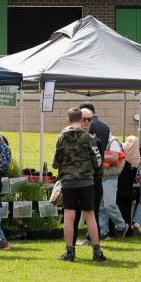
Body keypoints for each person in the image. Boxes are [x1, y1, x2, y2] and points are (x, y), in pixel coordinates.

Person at [52, 108, 106, 262]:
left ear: (68, 120)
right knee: (90, 216)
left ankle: (70, 253)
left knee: (69, 217)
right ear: (81, 119)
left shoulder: (61, 137)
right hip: (86, 182)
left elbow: (55, 162)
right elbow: (98, 160)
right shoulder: (88, 137)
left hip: (68, 182)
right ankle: (96, 252)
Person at [75, 107, 105, 245]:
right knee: (73, 215)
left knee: (93, 213)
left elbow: (99, 164)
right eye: (84, 119)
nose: (87, 122)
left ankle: (95, 246)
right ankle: (71, 248)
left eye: (89, 119)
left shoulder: (95, 141)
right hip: (75, 182)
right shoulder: (70, 138)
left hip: (92, 183)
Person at [98, 133, 128, 240]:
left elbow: (114, 158)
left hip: (110, 177)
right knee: (101, 207)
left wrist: (99, 156)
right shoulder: (96, 139)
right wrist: (106, 155)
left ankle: (122, 226)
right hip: (99, 177)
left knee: (109, 204)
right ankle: (103, 233)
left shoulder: (113, 141)